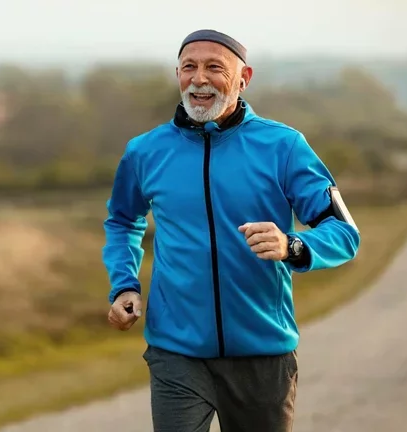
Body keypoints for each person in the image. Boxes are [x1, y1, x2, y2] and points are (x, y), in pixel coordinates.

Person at [101, 29, 361, 432]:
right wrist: (124, 285)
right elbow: (122, 220)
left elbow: (344, 232)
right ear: (178, 74)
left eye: (214, 68)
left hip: (262, 354)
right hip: (177, 352)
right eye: (189, 67)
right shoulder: (144, 151)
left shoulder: (284, 146)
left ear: (244, 78)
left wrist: (292, 245)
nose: (199, 79)